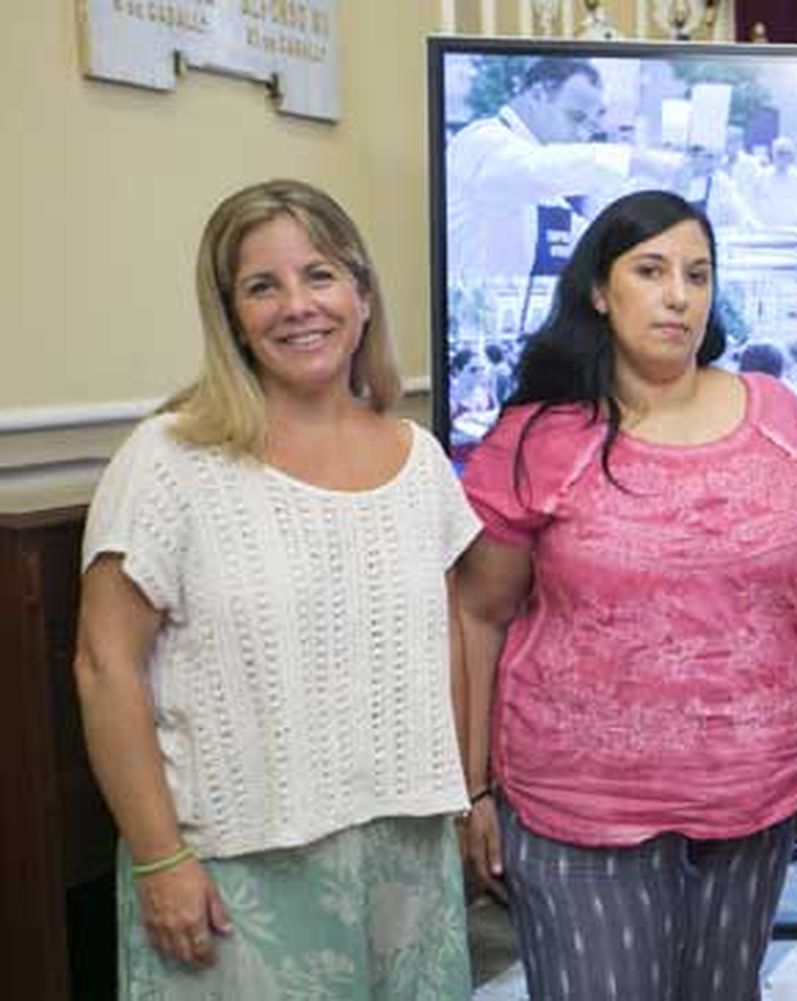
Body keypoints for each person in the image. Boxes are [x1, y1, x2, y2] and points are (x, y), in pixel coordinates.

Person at [73, 179, 479, 999]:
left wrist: (467, 796)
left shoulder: (420, 459)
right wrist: (159, 857)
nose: (299, 305)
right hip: (232, 877)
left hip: (407, 863)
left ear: (362, 294)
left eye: (321, 275)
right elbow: (102, 664)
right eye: (264, 285)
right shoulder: (169, 459)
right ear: (231, 317)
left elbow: (447, 641)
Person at [455, 190, 797, 1001]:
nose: (677, 295)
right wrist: (472, 787)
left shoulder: (780, 419)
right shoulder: (539, 436)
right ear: (598, 289)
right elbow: (478, 615)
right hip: (575, 803)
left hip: (752, 797)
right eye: (650, 271)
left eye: (697, 274)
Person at [447, 57, 670, 283]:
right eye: (575, 118)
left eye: (589, 127)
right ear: (539, 94)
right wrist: (631, 159)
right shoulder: (482, 140)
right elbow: (532, 171)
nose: (581, 136)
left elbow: (590, 242)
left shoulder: (547, 185)